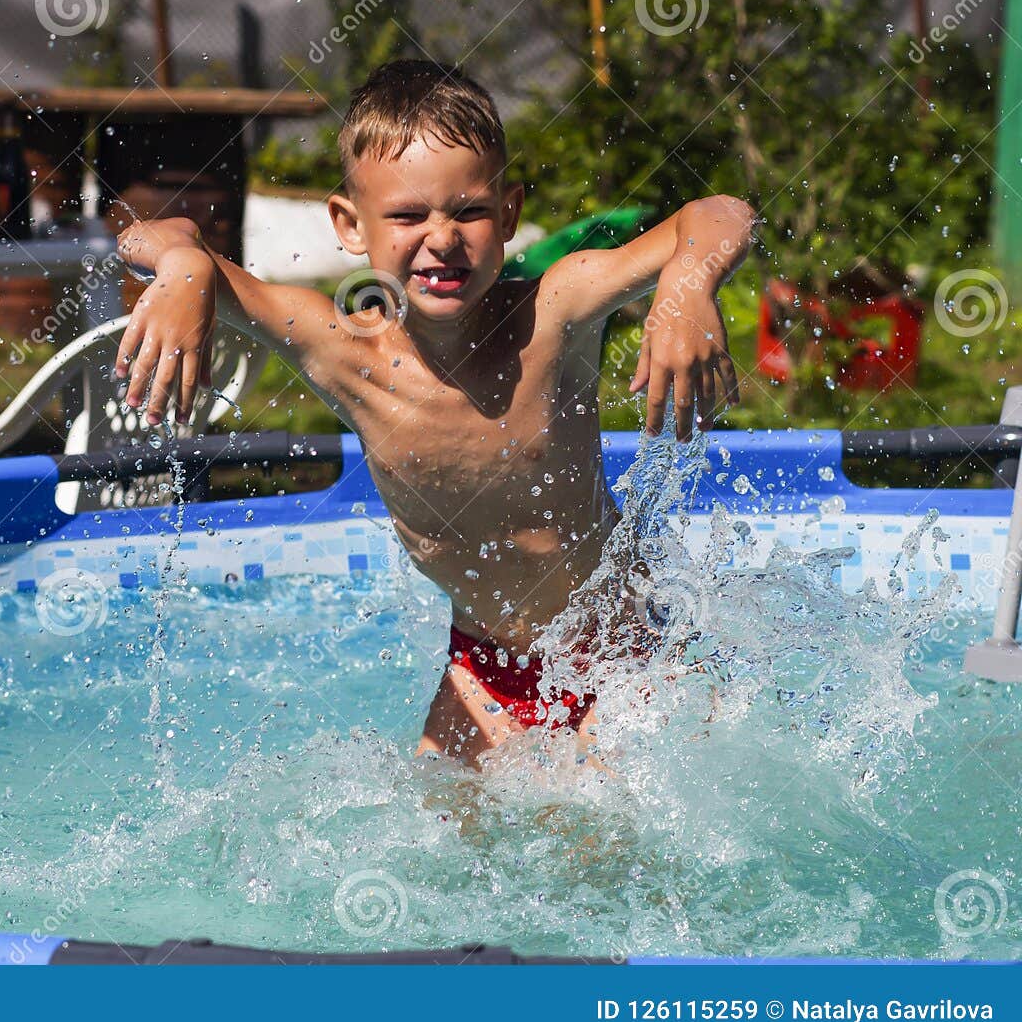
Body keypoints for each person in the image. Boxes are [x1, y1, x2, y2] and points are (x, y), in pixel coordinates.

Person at [113, 60, 755, 764]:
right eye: (408, 215)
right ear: (349, 225)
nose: (442, 237)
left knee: (599, 845)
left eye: (469, 212)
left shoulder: (555, 313)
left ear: (508, 214)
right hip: (483, 669)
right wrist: (188, 270)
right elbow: (149, 233)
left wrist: (688, 285)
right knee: (431, 852)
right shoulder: (342, 352)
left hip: (622, 660)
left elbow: (718, 213)